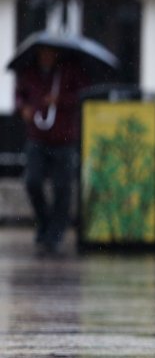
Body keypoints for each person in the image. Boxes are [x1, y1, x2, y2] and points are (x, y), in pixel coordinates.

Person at [14, 45, 89, 255]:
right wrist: (23, 108)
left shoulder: (70, 71)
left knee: (62, 187)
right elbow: (20, 95)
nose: (46, 57)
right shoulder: (30, 72)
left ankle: (56, 232)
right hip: (37, 137)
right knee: (32, 181)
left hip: (64, 138)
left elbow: (81, 95)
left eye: (50, 53)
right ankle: (44, 222)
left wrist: (61, 100)